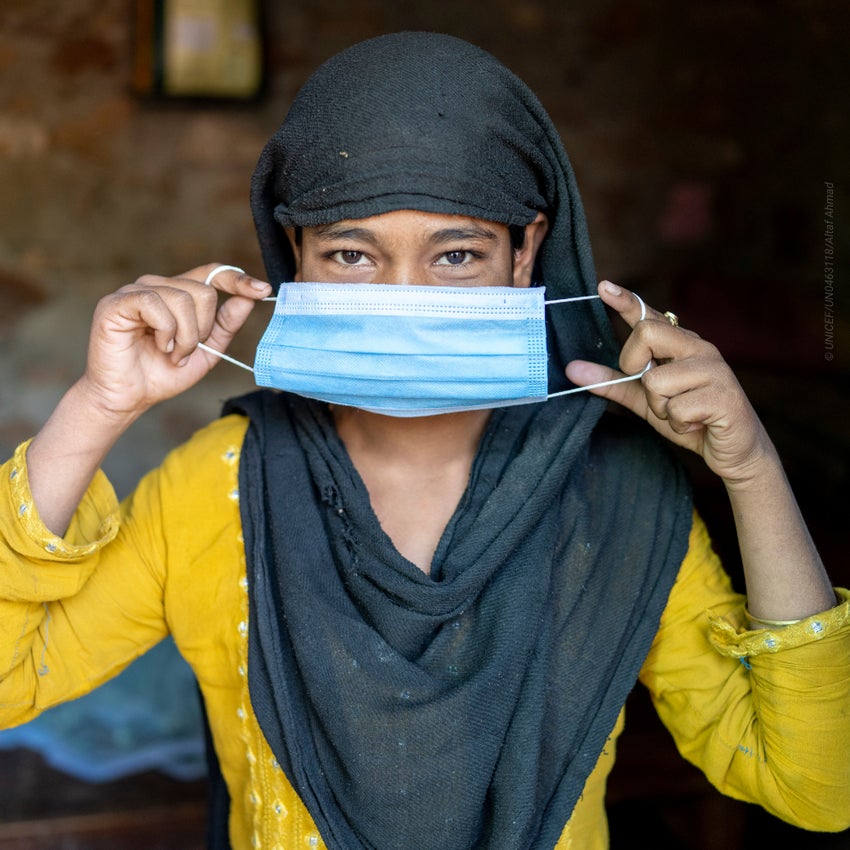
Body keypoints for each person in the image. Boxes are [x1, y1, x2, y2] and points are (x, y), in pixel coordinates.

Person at [1, 31, 848, 850]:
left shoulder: (614, 494)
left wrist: (754, 469)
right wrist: (96, 407)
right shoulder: (218, 488)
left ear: (527, 256)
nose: (404, 298)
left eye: (454, 256)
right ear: (294, 258)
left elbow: (816, 786)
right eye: (352, 255)